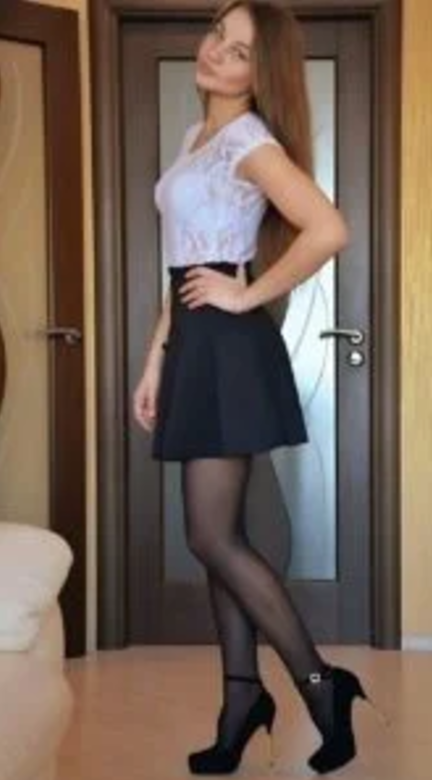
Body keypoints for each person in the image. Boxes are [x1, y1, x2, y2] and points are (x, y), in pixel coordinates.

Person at [133, 0, 377, 774]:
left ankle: (321, 685)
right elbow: (180, 268)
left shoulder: (249, 141)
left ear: (260, 72)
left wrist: (247, 296)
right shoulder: (194, 138)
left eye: (239, 51)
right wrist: (156, 359)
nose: (216, 53)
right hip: (195, 343)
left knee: (212, 536)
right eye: (217, 35)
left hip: (229, 349)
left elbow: (328, 228)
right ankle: (241, 700)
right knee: (219, 538)